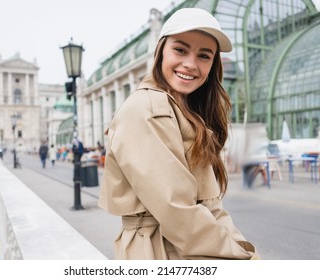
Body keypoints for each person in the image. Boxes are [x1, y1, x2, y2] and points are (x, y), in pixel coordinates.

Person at [98, 8, 259, 260]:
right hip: (157, 250)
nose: (191, 64)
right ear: (161, 50)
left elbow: (211, 205)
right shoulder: (147, 108)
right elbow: (177, 210)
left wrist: (242, 249)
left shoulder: (186, 112)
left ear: (212, 65)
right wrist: (241, 256)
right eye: (180, 50)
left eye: (204, 56)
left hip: (183, 246)